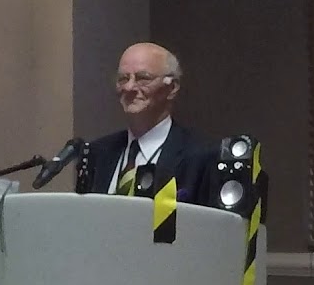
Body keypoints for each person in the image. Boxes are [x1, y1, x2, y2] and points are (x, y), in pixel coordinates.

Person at [86, 42, 218, 205]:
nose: (129, 87)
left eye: (143, 78)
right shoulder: (98, 153)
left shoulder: (202, 156)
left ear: (172, 88)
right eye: (123, 79)